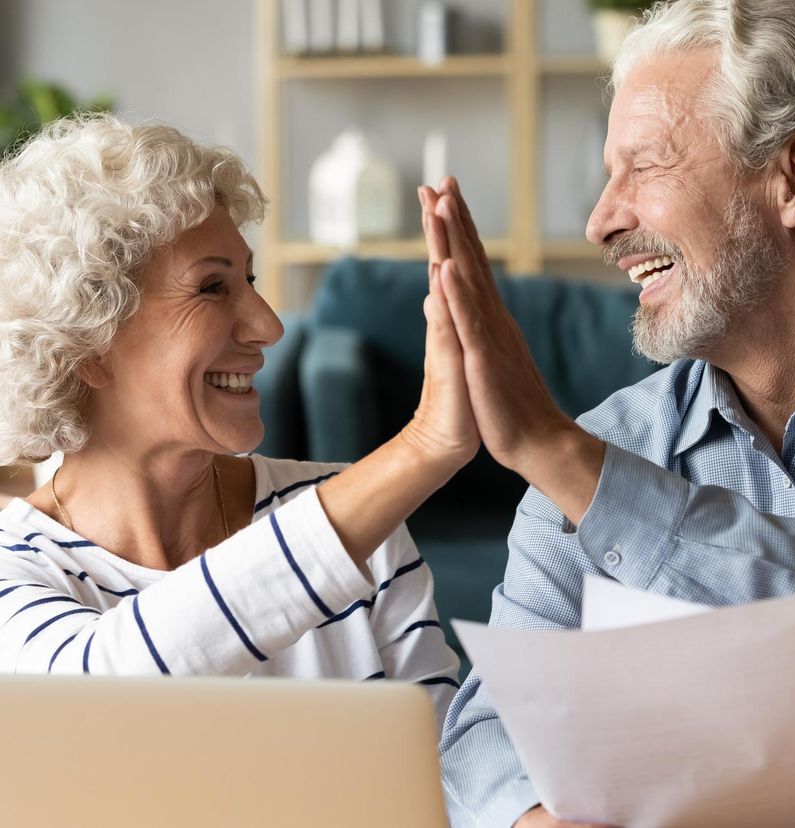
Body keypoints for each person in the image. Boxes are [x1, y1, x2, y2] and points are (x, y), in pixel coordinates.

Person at [422, 0, 795, 825]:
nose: (600, 221)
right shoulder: (610, 447)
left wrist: (555, 451)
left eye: (644, 167)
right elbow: (484, 730)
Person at [0, 114, 476, 734]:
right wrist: (424, 447)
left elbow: (448, 772)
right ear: (87, 343)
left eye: (248, 279)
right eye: (212, 287)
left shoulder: (361, 524)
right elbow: (94, 697)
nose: (268, 326)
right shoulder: (17, 570)